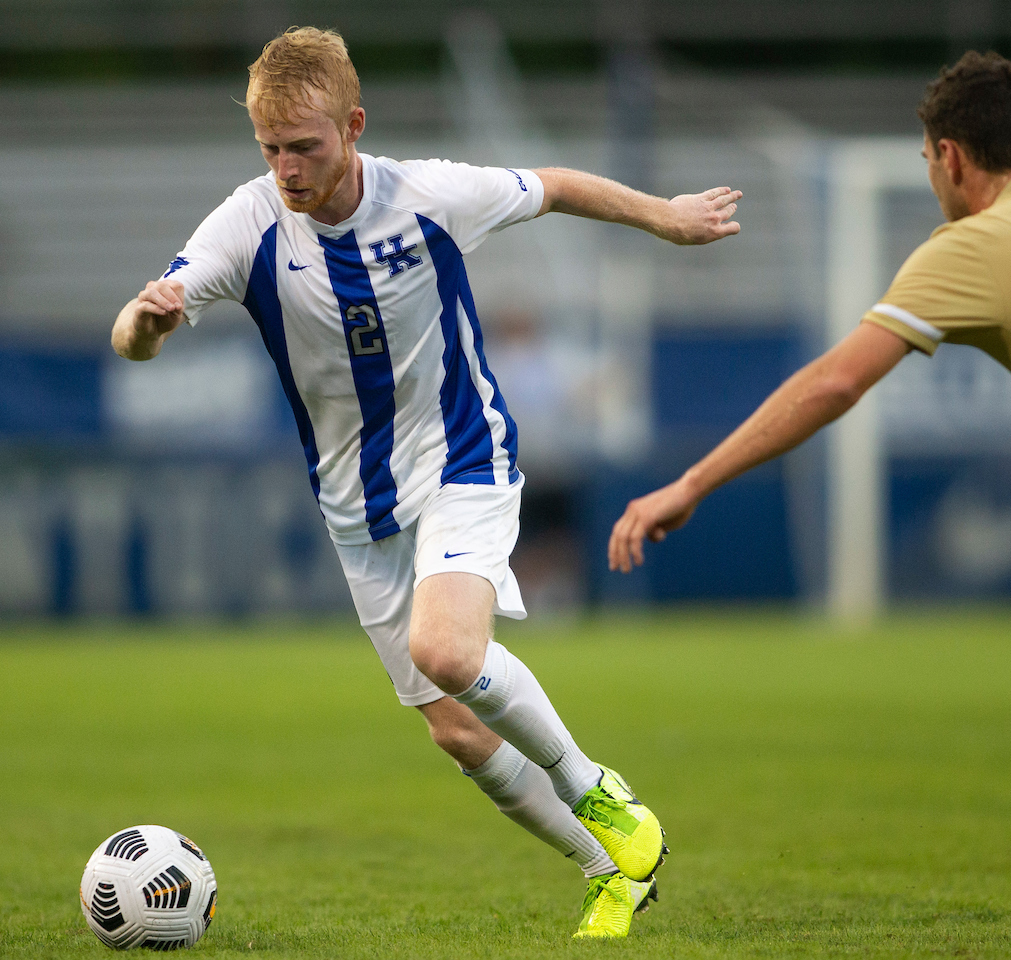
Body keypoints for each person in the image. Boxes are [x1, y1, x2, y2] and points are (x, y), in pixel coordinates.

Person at [111, 26, 741, 939]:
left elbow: (556, 186)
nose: (287, 169)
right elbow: (133, 332)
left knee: (449, 650)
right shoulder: (248, 222)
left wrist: (665, 216)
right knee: (456, 731)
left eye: (305, 147)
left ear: (354, 126)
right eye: (272, 150)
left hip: (462, 457)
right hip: (355, 509)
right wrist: (149, 320)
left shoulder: (432, 195)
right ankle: (612, 871)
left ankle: (597, 791)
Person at [609, 51, 1011, 832]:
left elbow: (834, 384)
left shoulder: (973, 247)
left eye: (927, 161)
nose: (929, 176)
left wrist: (688, 485)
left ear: (951, 157)